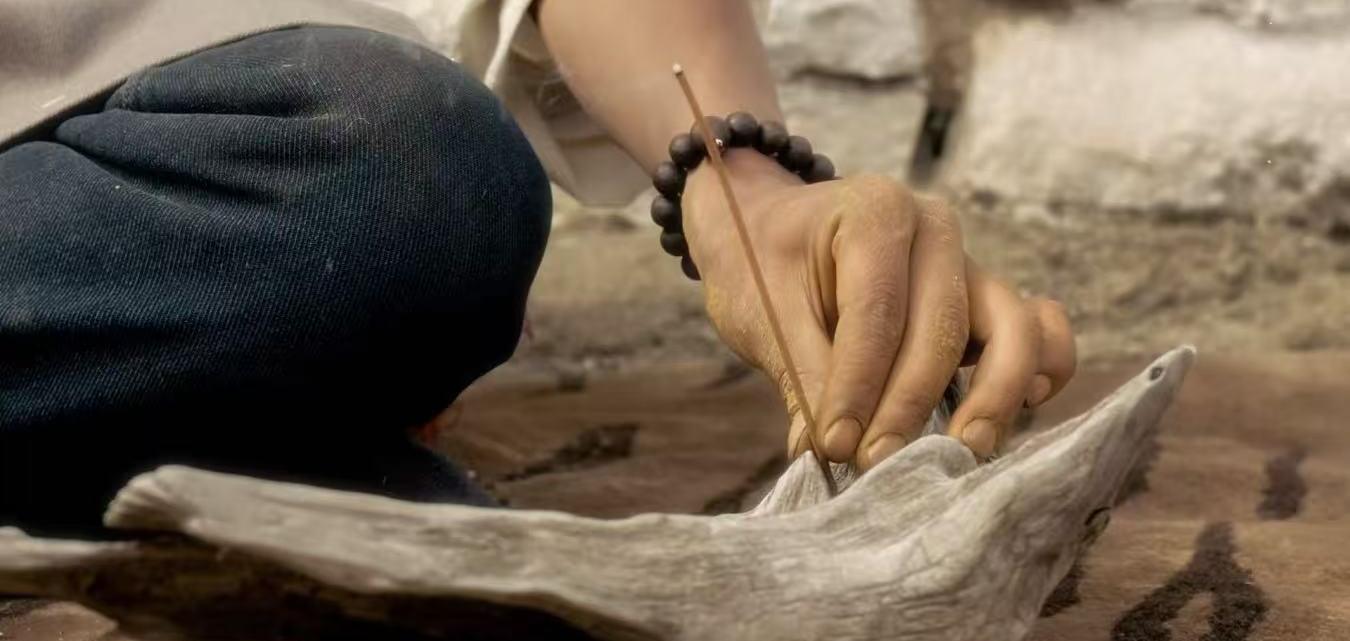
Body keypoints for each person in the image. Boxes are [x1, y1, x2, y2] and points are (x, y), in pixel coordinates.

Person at [0, 0, 1076, 538]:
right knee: (401, 188)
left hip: (204, 128)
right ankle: (242, 440)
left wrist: (747, 184)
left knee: (412, 181)